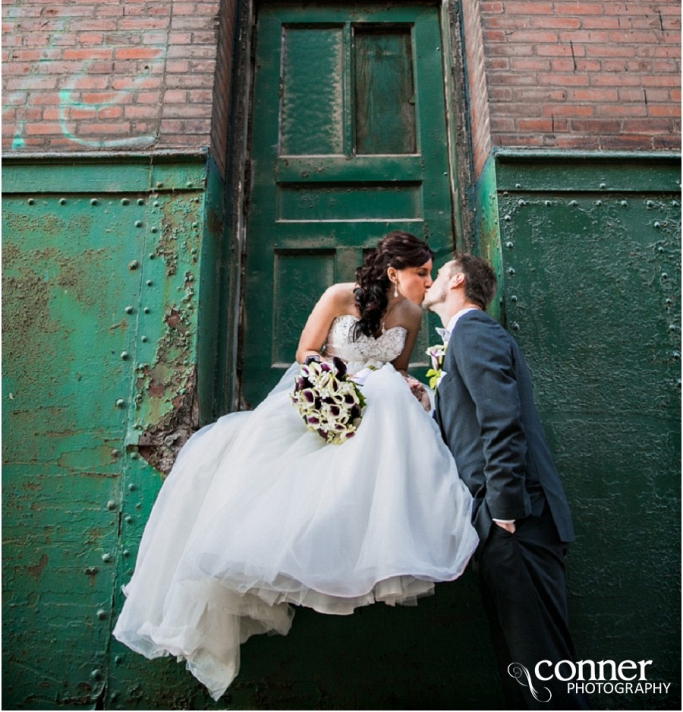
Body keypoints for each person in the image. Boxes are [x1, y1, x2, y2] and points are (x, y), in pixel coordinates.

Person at [113, 232, 479, 701]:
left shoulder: (409, 315)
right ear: (393, 273)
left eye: (431, 274)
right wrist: (335, 379)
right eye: (422, 273)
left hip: (380, 416)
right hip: (328, 398)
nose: (428, 282)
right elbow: (305, 351)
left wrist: (407, 384)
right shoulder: (339, 296)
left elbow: (397, 369)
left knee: (391, 400)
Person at [423, 254, 589, 711]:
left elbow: (502, 418)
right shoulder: (465, 339)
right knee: (523, 674)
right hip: (501, 526)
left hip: (518, 523)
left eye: (438, 273)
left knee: (543, 674)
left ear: (457, 280)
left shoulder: (473, 331)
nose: (432, 281)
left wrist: (505, 508)